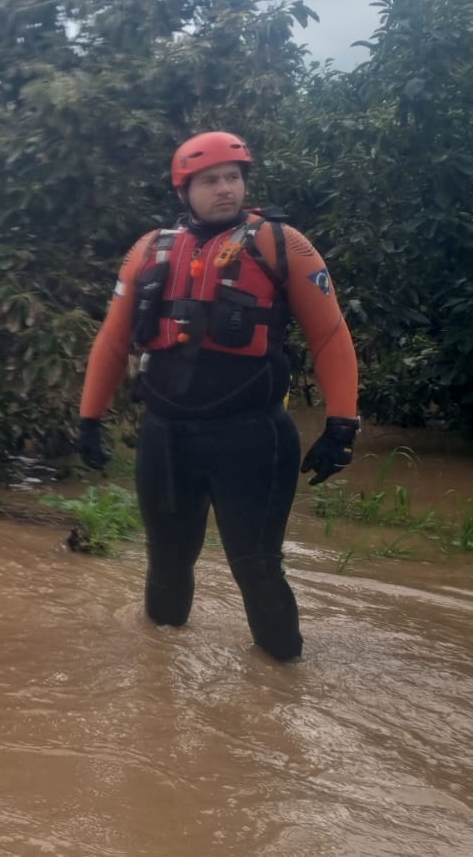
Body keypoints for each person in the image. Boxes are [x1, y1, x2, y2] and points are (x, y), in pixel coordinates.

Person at [76, 131, 360, 662]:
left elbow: (329, 336)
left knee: (256, 565)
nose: (225, 188)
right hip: (166, 436)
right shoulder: (148, 249)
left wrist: (342, 424)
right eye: (210, 180)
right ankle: (159, 686)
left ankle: (282, 689)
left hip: (251, 437)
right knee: (166, 561)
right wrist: (89, 419)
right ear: (184, 190)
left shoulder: (285, 245)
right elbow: (113, 340)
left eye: (233, 177)